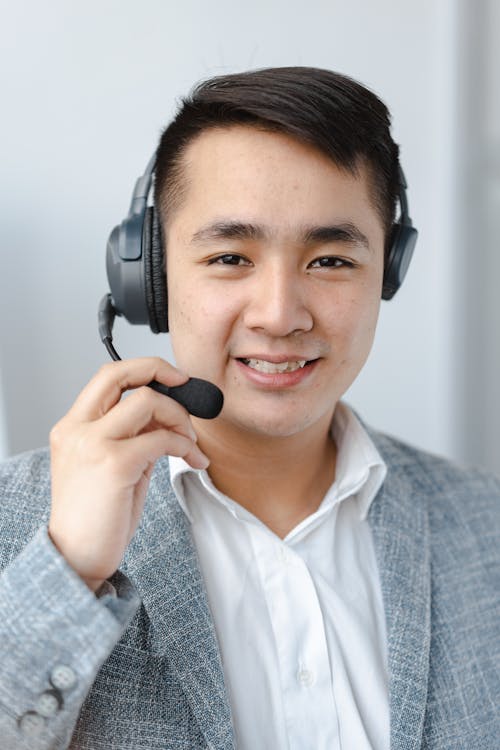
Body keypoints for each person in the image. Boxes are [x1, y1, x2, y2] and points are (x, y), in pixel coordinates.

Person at [0, 67, 498, 750]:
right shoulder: (16, 526)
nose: (280, 315)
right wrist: (68, 573)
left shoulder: (485, 527)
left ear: (388, 269)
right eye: (231, 256)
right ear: (150, 278)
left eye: (330, 262)